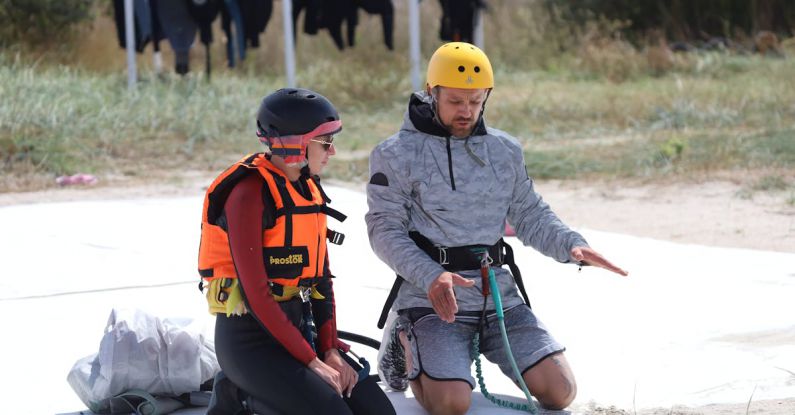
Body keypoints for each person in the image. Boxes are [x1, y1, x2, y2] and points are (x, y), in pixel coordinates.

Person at [365, 42, 629, 414]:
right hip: (432, 299)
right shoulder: (394, 154)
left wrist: (572, 247)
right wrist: (430, 275)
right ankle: (403, 339)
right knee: (450, 405)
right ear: (431, 92)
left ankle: (465, 345)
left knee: (560, 392)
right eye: (456, 101)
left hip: (497, 296)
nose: (466, 111)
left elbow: (530, 213)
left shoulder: (504, 150)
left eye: (476, 101)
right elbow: (383, 230)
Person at [198, 88, 395, 415]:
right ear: (295, 144)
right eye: (326, 142)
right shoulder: (249, 194)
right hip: (250, 342)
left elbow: (321, 282)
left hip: (301, 332)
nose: (332, 152)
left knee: (379, 412)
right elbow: (257, 294)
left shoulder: (309, 189)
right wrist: (311, 361)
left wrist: (329, 349)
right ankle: (240, 396)